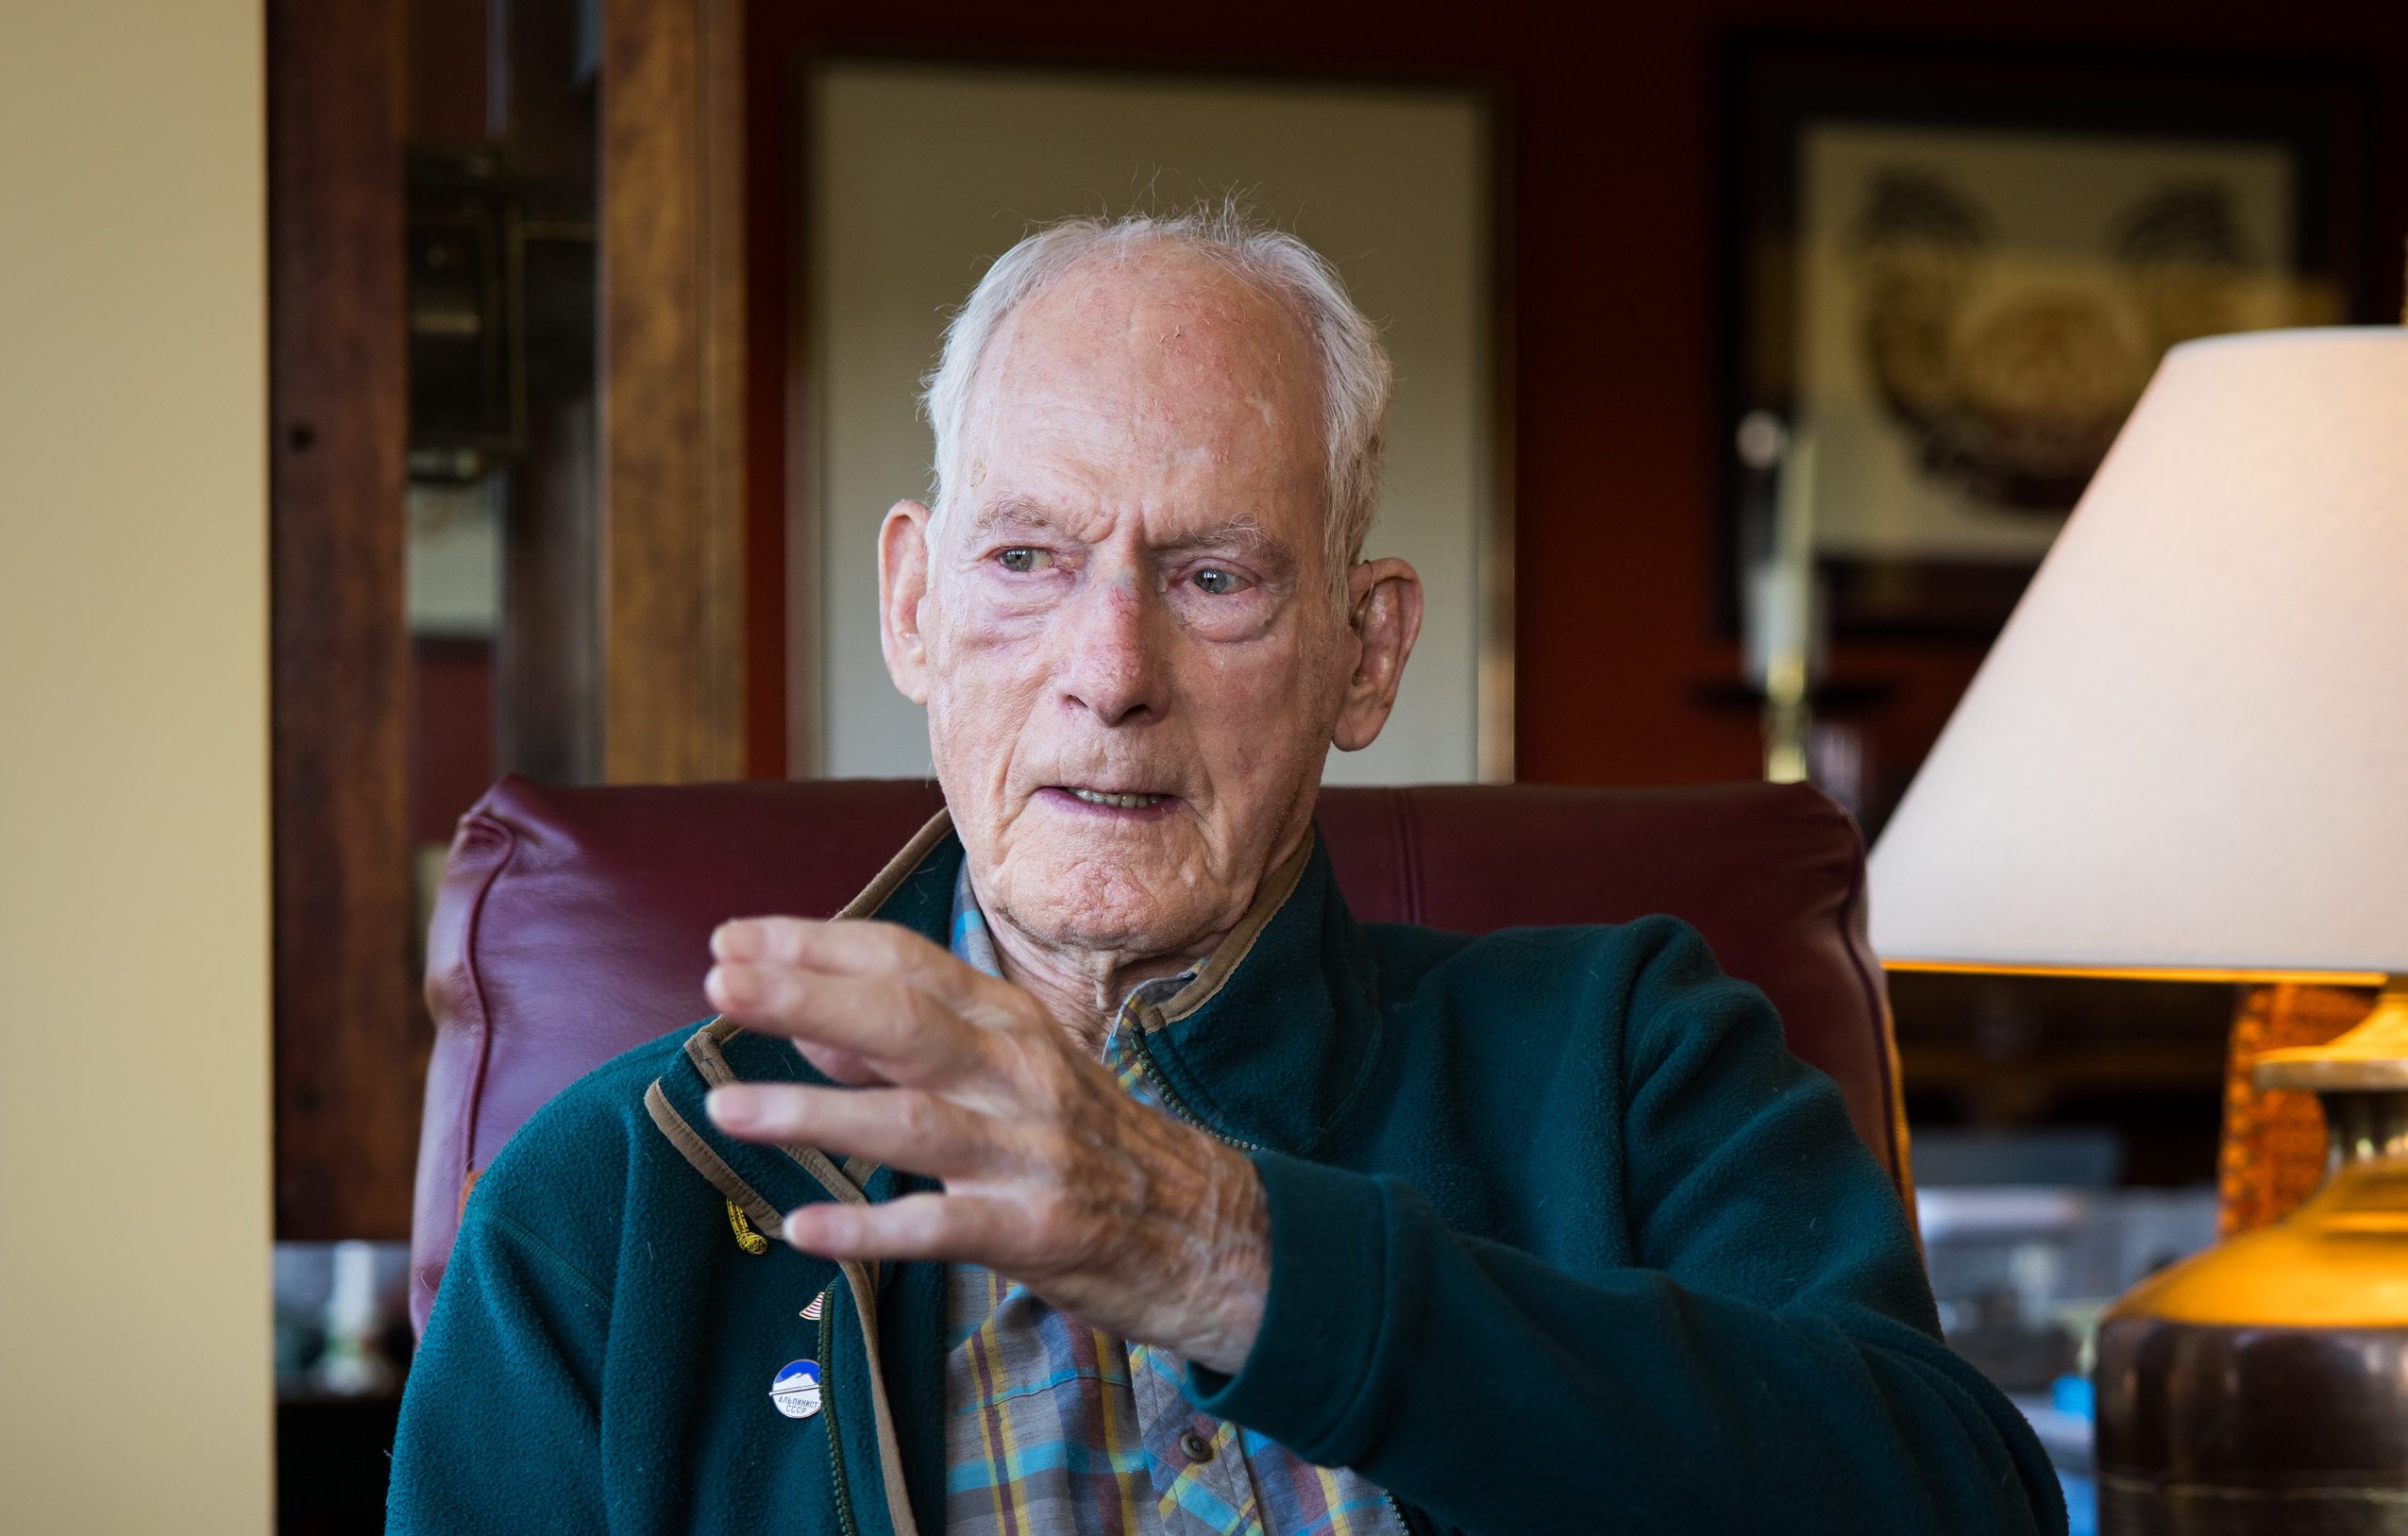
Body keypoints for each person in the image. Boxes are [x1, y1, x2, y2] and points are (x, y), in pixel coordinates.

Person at [386, 208, 2063, 1536]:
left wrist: (1233, 1257)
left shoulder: (1630, 1056)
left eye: (1212, 575)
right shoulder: (612, 1200)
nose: (1108, 670)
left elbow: (1953, 1503)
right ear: (914, 607)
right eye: (1026, 558)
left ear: (1366, 650)